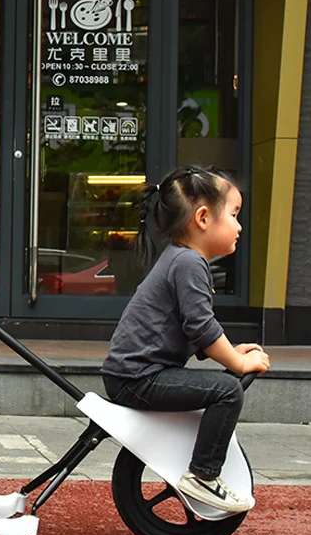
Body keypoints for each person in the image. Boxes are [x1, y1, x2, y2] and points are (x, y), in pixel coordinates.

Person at [101, 166, 270, 513]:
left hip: (135, 373)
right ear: (204, 218)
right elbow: (202, 328)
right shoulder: (189, 262)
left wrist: (227, 352)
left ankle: (203, 472)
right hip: (137, 378)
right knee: (227, 390)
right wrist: (237, 362)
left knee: (222, 386)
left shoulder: (182, 258)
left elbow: (190, 329)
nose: (239, 226)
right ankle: (204, 477)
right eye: (235, 215)